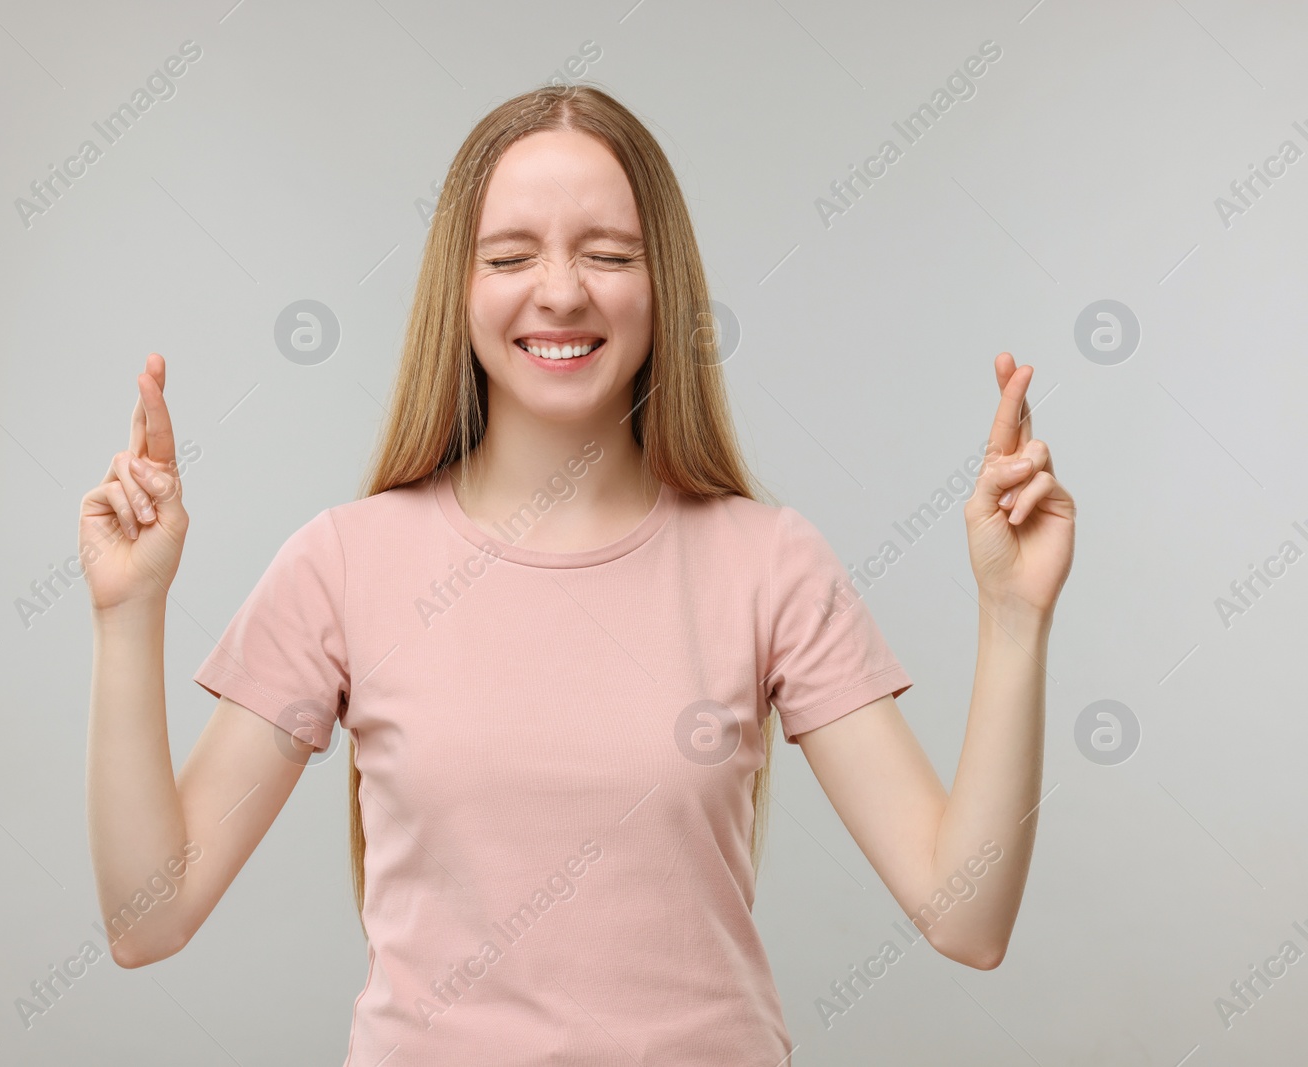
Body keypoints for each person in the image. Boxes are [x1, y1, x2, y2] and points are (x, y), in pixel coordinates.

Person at [81, 84, 1074, 1065]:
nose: (560, 290)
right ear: (457, 291)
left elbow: (967, 914)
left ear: (664, 286)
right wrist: (128, 615)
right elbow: (148, 915)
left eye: (607, 255)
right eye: (511, 256)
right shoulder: (346, 561)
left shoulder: (767, 562)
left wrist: (1013, 616)